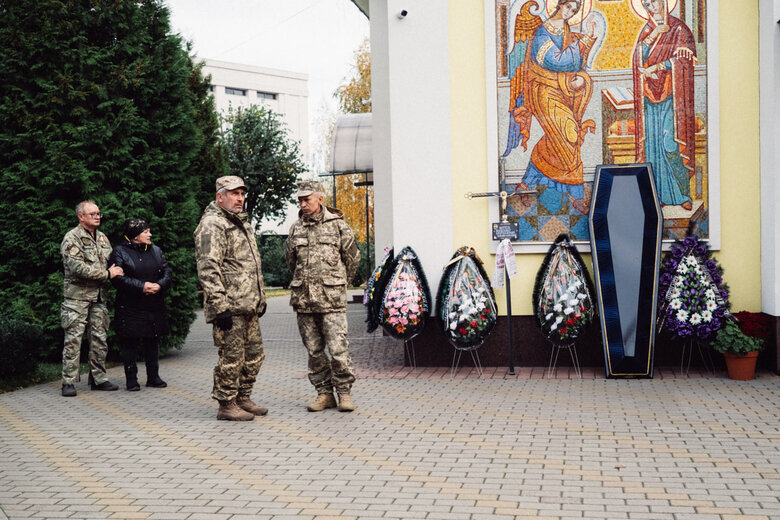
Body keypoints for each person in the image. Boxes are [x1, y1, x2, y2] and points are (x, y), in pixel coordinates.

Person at [507, 0, 597, 214]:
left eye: (574, 11)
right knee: (569, 137)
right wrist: (582, 44)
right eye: (568, 7)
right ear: (559, 5)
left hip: (560, 90)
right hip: (543, 92)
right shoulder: (542, 32)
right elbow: (557, 61)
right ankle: (576, 196)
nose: (570, 13)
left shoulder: (565, 30)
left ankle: (525, 184)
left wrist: (581, 77)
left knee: (556, 140)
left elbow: (575, 66)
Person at [194, 176, 268, 421]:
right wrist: (219, 306)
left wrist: (260, 298)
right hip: (230, 307)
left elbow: (250, 266)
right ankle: (226, 404)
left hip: (248, 304)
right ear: (220, 196)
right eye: (234, 193)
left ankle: (242, 397)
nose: (240, 198)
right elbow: (208, 267)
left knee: (255, 355)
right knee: (232, 357)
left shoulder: (240, 223)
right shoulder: (212, 225)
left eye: (242, 193)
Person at [285, 180, 360, 412]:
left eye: (307, 199)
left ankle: (344, 393)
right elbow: (291, 261)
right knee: (314, 352)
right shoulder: (296, 228)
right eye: (300, 200)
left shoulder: (338, 226)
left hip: (332, 301)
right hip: (305, 301)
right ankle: (324, 393)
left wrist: (338, 283)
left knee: (338, 350)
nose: (303, 203)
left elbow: (352, 259)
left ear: (320, 199)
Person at [632, 0, 696, 210]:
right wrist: (652, 36)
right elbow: (638, 61)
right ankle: (656, 194)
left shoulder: (679, 28)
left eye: (655, 2)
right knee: (652, 146)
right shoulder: (647, 30)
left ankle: (682, 194)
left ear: (664, 3)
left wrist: (659, 66)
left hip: (673, 96)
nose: (652, 8)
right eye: (647, 4)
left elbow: (685, 61)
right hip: (650, 97)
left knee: (670, 144)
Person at [60, 200, 123, 397]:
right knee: (73, 341)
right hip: (77, 299)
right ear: (81, 216)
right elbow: (77, 268)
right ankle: (68, 382)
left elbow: (114, 261)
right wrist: (106, 274)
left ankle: (98, 378)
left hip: (98, 297)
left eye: (98, 214)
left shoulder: (103, 238)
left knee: (99, 339)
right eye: (93, 214)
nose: (97, 217)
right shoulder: (72, 238)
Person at [108, 219, 172, 391]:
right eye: (146, 232)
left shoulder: (156, 250)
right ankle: (131, 380)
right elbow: (118, 278)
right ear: (135, 235)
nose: (150, 234)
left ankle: (154, 377)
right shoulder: (119, 252)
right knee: (129, 342)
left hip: (153, 304)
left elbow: (167, 270)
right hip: (130, 305)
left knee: (153, 340)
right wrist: (141, 286)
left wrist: (160, 285)